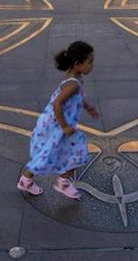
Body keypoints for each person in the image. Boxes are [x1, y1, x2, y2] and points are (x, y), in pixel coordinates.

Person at [18, 40, 100, 200]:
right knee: (78, 152)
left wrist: (88, 107)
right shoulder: (73, 84)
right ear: (78, 64)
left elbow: (76, 97)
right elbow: (58, 103)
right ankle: (62, 182)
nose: (92, 65)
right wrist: (65, 126)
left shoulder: (73, 77)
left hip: (51, 123)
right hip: (58, 125)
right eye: (90, 61)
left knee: (45, 154)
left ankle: (26, 181)